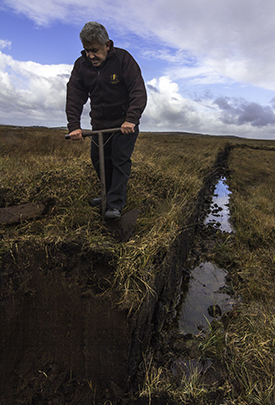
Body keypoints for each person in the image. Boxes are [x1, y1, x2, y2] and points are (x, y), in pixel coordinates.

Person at [66, 21, 147, 220]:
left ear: (107, 45)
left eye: (94, 50)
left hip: (124, 124)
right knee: (99, 160)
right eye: (86, 51)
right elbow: (75, 95)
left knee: (119, 160)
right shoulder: (81, 65)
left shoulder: (123, 59)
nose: (90, 56)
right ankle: (109, 195)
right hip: (99, 124)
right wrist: (74, 126)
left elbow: (137, 90)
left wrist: (131, 119)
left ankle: (114, 204)